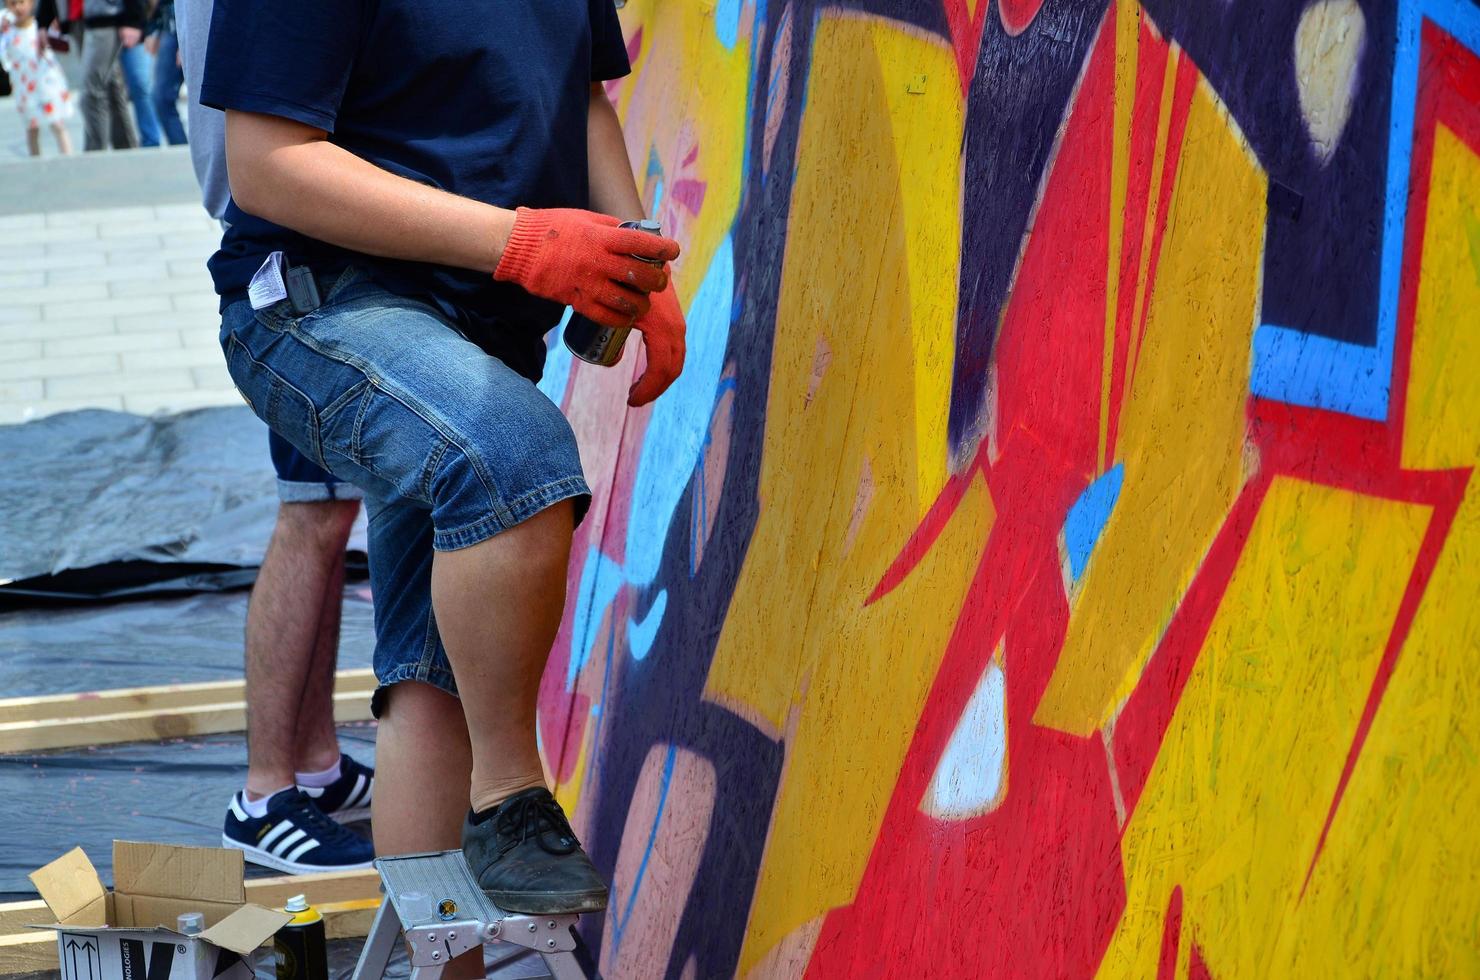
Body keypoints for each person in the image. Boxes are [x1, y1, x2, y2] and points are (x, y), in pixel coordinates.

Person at [201, 0, 686, 944]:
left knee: (432, 683)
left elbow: (579, 97)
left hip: (486, 325)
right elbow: (266, 163)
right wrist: (519, 243)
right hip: (318, 303)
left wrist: (633, 257)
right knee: (514, 453)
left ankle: (443, 964)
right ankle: (509, 800)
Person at [170, 0, 376, 875]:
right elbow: (246, 153)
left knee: (325, 513)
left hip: (303, 244)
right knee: (314, 518)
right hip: (296, 254)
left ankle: (316, 766)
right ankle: (262, 795)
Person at [0, 0, 74, 156]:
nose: (18, 8)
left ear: (31, 3)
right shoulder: (7, 31)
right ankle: (36, 162)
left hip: (46, 84)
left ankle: (68, 158)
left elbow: (61, 42)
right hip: (24, 87)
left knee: (57, 123)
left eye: (22, 2)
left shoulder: (39, 27)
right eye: (13, 4)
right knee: (32, 127)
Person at [76, 0, 140, 150]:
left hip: (108, 17)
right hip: (90, 17)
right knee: (112, 91)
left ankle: (95, 154)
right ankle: (127, 151)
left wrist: (133, 18)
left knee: (91, 93)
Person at [141, 0, 183, 144]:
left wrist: (189, 39)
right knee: (161, 98)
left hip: (190, 27)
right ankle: (181, 148)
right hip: (170, 25)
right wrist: (154, 28)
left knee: (207, 105)